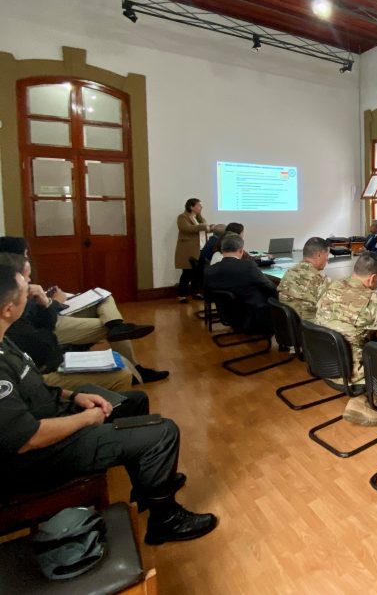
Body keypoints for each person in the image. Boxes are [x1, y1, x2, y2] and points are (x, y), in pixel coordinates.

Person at [0, 264, 218, 545]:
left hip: (55, 415)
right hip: (40, 455)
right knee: (164, 432)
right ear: (8, 308)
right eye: (23, 290)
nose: (29, 290)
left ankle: (147, 488)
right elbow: (27, 438)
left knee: (135, 401)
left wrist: (73, 396)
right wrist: (86, 419)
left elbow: (36, 387)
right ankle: (165, 520)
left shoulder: (6, 341)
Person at [0, 239, 167, 383]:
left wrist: (50, 301)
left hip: (54, 313)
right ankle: (132, 362)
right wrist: (54, 302)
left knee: (104, 297)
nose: (28, 257)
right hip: (53, 321)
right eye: (25, 254)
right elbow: (41, 325)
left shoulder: (18, 282)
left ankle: (116, 325)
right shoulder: (11, 292)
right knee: (106, 326)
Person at [315, 252, 377, 426]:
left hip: (325, 364)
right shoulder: (372, 300)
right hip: (353, 374)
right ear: (372, 279)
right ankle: (364, 400)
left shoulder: (333, 285)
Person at [203, 234, 277, 335]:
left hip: (226, 314)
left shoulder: (209, 270)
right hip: (253, 313)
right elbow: (270, 287)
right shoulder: (248, 266)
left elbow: (207, 296)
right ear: (241, 251)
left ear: (222, 249)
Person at [277, 237, 331, 323]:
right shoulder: (321, 279)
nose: (327, 259)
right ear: (319, 255)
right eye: (327, 255)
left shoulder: (290, 271)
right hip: (307, 330)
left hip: (286, 327)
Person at [175, 198, 211, 303]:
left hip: (200, 248)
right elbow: (186, 228)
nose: (201, 207)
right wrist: (203, 226)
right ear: (191, 207)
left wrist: (210, 228)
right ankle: (182, 295)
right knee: (187, 272)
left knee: (198, 272)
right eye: (199, 205)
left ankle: (196, 292)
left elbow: (203, 229)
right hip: (188, 249)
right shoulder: (183, 217)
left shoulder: (199, 218)